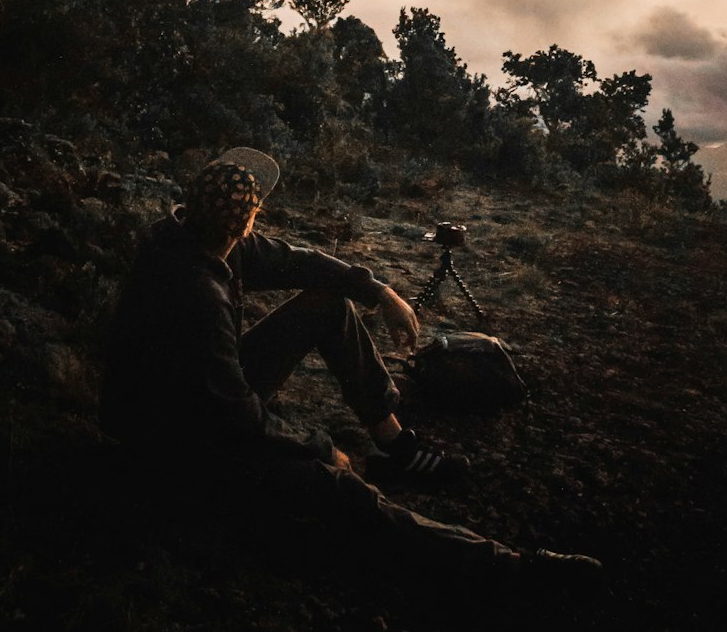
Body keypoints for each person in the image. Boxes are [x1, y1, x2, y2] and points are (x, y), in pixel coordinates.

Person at [100, 146, 603, 596]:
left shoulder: (193, 239)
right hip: (176, 446)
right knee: (342, 491)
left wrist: (380, 292)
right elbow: (238, 417)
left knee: (327, 305)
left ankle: (396, 445)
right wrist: (319, 447)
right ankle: (509, 568)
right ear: (247, 221)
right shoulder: (199, 295)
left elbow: (301, 262)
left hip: (183, 403)